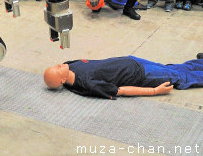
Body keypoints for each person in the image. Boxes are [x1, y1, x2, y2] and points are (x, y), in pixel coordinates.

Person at [43, 56, 203, 99]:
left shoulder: (69, 65)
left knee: (172, 68)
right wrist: (154, 91)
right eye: (57, 69)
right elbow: (120, 90)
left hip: (131, 61)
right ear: (62, 81)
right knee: (181, 77)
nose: (59, 64)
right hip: (140, 75)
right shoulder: (87, 84)